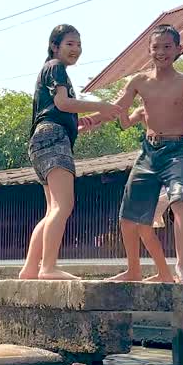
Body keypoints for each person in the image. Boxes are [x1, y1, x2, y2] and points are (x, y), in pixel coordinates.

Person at [20, 24, 121, 280]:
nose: (76, 49)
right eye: (70, 44)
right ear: (54, 46)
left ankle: (31, 268)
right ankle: (48, 267)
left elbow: (62, 113)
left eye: (78, 44)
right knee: (63, 205)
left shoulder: (50, 70)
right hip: (53, 137)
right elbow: (63, 103)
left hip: (43, 140)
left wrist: (92, 118)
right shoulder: (56, 67)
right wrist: (100, 105)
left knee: (52, 209)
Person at [106, 25, 183, 283]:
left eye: (167, 47)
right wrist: (91, 119)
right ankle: (133, 269)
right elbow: (118, 110)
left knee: (180, 203)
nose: (161, 52)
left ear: (178, 49)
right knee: (128, 216)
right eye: (156, 47)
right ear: (149, 50)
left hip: (178, 150)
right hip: (149, 152)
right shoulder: (139, 81)